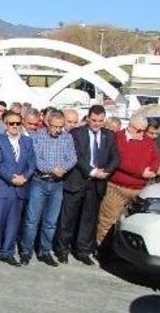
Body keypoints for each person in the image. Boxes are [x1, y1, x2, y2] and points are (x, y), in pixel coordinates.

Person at [54, 105, 119, 265]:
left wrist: (106, 171)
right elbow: (76, 155)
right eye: (94, 120)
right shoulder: (76, 134)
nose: (97, 124)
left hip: (97, 184)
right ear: (88, 119)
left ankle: (82, 250)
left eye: (100, 121)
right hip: (77, 181)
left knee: (88, 220)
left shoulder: (109, 135)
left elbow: (115, 156)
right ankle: (62, 250)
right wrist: (91, 171)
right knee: (68, 219)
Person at [19, 109, 77, 266]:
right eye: (55, 127)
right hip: (40, 182)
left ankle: (45, 251)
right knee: (32, 220)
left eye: (60, 127)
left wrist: (62, 168)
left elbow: (72, 158)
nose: (58, 130)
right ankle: (26, 251)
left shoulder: (67, 138)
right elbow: (36, 160)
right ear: (47, 123)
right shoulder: (37, 137)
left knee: (51, 222)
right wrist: (53, 169)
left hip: (57, 184)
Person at [96, 115, 160, 246]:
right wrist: (140, 171)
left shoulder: (148, 141)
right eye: (138, 130)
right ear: (130, 127)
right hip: (117, 188)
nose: (142, 134)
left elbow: (156, 159)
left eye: (143, 130)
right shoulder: (118, 138)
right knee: (108, 220)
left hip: (138, 190)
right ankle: (103, 249)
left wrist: (151, 171)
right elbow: (118, 160)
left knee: (129, 223)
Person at [0, 111, 35, 265]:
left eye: (17, 123)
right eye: (11, 123)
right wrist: (12, 178)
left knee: (14, 223)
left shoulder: (27, 142)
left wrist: (25, 177)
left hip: (20, 188)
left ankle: (8, 252)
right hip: (2, 188)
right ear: (5, 124)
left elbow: (31, 163)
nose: (15, 126)